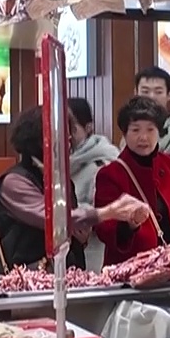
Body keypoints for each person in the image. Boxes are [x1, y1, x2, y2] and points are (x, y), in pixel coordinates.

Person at [0, 108, 147, 276]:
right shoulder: (14, 181)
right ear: (38, 140)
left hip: (67, 275)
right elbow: (53, 219)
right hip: (25, 277)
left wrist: (81, 236)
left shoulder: (62, 180)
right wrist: (106, 212)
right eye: (59, 138)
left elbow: (69, 228)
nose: (67, 145)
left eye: (68, 139)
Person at [94, 97, 170, 267]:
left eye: (150, 130)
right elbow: (103, 228)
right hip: (132, 269)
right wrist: (130, 225)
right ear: (124, 133)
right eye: (135, 130)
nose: (143, 137)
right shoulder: (110, 174)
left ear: (159, 132)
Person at [68, 97, 120, 271]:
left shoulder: (102, 163)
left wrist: (77, 215)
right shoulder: (60, 162)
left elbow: (111, 211)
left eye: (72, 127)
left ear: (88, 127)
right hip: (66, 255)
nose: (67, 135)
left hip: (94, 256)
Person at [134, 66, 170, 187]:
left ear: (169, 95)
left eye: (158, 92)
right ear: (136, 93)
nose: (151, 97)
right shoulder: (131, 128)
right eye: (145, 91)